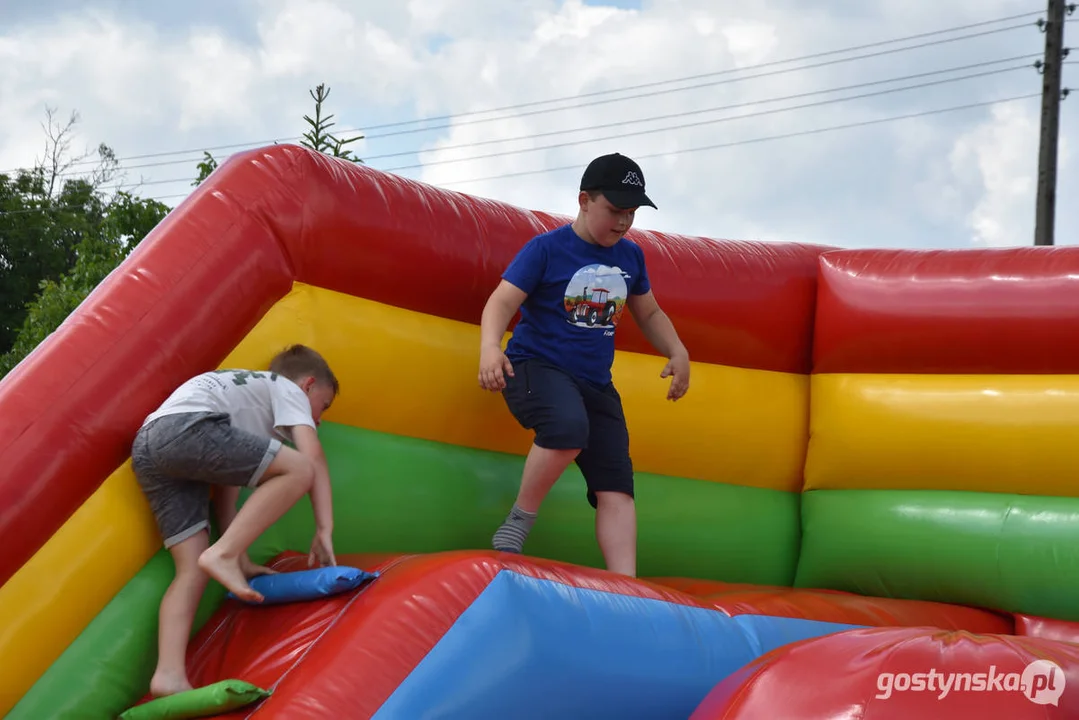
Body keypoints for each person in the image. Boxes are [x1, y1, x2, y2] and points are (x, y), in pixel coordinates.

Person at [477, 152, 690, 578]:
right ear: (584, 200)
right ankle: (521, 517)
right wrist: (489, 348)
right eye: (614, 210)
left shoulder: (631, 258)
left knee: (617, 486)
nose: (624, 222)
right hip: (535, 368)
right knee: (567, 429)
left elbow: (649, 313)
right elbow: (502, 300)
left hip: (595, 383)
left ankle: (625, 582)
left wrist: (677, 350)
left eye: (630, 213)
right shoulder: (547, 249)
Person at [131, 344, 340, 697]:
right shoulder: (285, 388)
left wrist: (241, 557)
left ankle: (168, 675)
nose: (318, 418)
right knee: (299, 469)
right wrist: (324, 527)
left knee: (192, 567)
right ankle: (222, 555)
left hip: (150, 446)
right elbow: (312, 458)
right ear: (307, 386)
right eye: (324, 405)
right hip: (188, 428)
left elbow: (226, 493)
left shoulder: (247, 411)